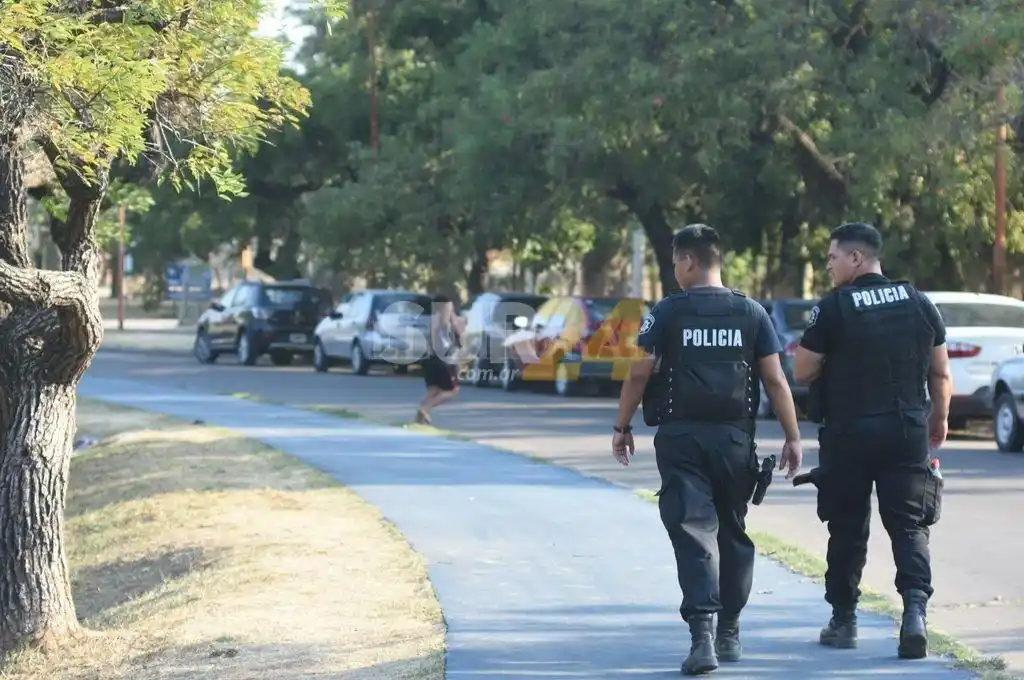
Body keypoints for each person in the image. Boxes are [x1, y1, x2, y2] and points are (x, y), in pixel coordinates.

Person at [612, 224, 804, 675]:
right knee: (733, 533)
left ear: (689, 262)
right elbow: (776, 380)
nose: (675, 271)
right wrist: (794, 437)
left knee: (693, 532)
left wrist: (622, 425)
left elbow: (639, 374)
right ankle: (729, 631)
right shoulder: (752, 313)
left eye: (676, 262)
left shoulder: (667, 313)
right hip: (735, 441)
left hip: (681, 440)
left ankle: (703, 637)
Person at [793, 222, 950, 660]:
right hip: (906, 431)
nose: (828, 265)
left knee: (847, 527)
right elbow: (939, 372)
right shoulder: (919, 302)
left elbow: (802, 371)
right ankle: (915, 612)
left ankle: (844, 620)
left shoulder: (835, 307)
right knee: (909, 525)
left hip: (849, 433)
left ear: (856, 258)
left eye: (832, 257)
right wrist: (939, 420)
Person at [415, 294, 466, 424]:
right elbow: (460, 339)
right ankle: (424, 409)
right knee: (453, 390)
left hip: (429, 357)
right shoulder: (448, 319)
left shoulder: (432, 319)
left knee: (433, 391)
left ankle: (420, 418)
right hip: (443, 359)